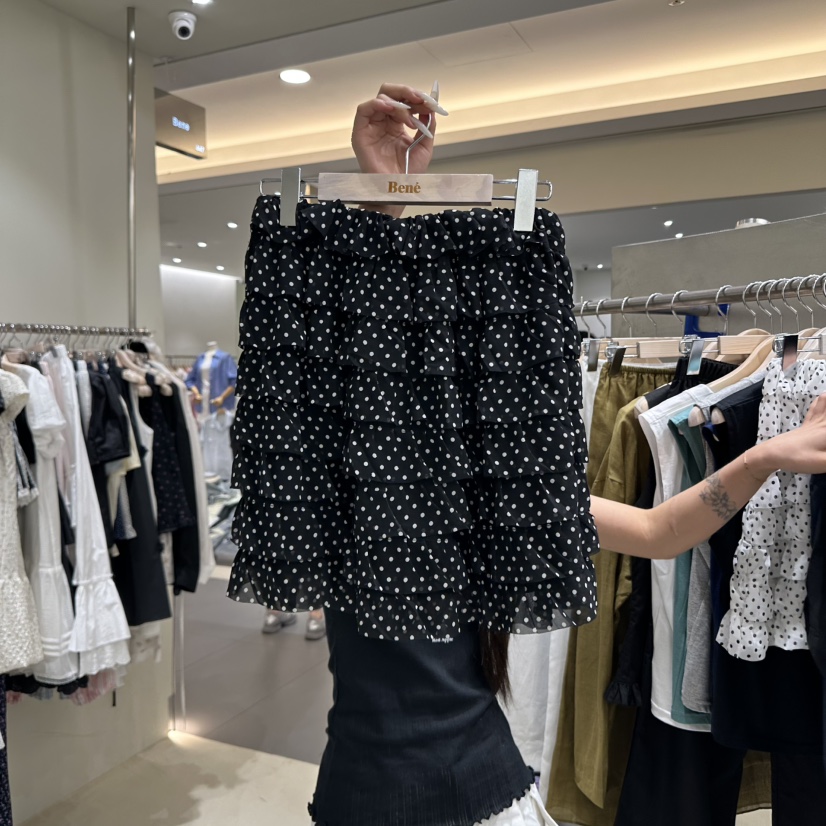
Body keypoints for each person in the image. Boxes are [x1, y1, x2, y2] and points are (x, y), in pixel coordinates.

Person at [255, 84, 826, 826]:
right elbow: (365, 361)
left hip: (477, 797)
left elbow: (660, 532)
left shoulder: (494, 499)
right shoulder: (336, 484)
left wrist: (767, 455)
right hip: (381, 796)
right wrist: (387, 194)